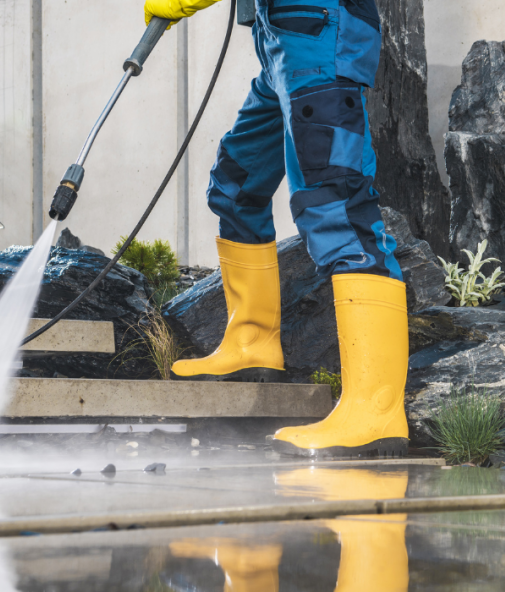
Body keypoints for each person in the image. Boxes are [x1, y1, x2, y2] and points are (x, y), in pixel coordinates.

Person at [143, 0, 408, 459]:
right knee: (235, 185)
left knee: (337, 208)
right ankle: (251, 343)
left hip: (319, 35)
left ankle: (375, 411)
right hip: (279, 43)